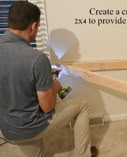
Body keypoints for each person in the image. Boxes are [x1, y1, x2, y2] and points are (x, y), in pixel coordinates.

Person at [0, 1, 97, 157]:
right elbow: (47, 107)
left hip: (8, 128)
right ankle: (83, 154)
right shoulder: (36, 59)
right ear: (33, 26)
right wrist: (54, 86)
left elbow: (13, 76)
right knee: (82, 105)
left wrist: (43, 74)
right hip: (31, 127)